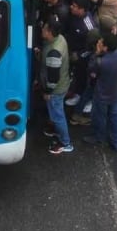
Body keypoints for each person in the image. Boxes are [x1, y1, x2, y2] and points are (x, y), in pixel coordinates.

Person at [84, 33, 117, 150]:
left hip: (102, 95)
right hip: (116, 91)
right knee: (115, 117)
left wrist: (96, 54)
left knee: (99, 117)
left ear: (106, 47)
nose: (99, 43)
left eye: (101, 43)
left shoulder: (100, 62)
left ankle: (98, 137)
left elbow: (91, 70)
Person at [41, 18, 73, 154]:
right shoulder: (60, 39)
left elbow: (53, 77)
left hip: (56, 89)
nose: (42, 30)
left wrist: (48, 91)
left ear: (49, 32)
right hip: (64, 83)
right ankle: (57, 132)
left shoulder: (54, 51)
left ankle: (65, 143)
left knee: (58, 116)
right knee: (56, 113)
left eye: (44, 28)